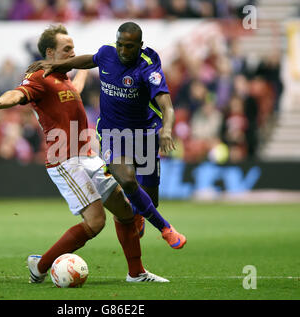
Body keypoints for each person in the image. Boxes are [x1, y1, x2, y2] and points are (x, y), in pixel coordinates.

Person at [0, 24, 168, 283]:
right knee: (96, 222)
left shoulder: (64, 78)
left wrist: (93, 68)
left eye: (74, 48)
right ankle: (40, 266)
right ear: (50, 52)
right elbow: (18, 94)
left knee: (125, 211)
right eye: (67, 49)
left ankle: (137, 274)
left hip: (88, 156)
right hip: (64, 159)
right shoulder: (40, 77)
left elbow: (78, 80)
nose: (73, 52)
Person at [27, 22, 186, 249]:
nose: (123, 50)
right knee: (128, 180)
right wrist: (58, 65)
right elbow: (89, 59)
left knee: (150, 201)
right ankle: (166, 229)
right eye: (120, 44)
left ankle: (140, 212)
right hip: (113, 134)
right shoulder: (108, 53)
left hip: (146, 135)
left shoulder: (149, 67)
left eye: (129, 46)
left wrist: (167, 130)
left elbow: (167, 105)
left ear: (140, 45)